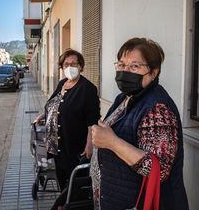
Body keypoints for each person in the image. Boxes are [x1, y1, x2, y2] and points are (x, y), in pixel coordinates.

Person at [90, 38, 189, 210]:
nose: (125, 71)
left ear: (153, 72)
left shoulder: (158, 109)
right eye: (121, 64)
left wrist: (112, 142)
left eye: (135, 66)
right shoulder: (125, 98)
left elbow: (160, 170)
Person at [33, 49, 100, 191]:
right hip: (57, 144)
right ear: (62, 67)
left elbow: (92, 121)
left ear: (81, 66)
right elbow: (53, 103)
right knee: (61, 178)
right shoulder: (62, 83)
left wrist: (89, 144)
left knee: (74, 183)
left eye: (73, 64)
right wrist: (43, 115)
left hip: (75, 145)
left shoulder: (88, 89)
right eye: (65, 64)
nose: (69, 67)